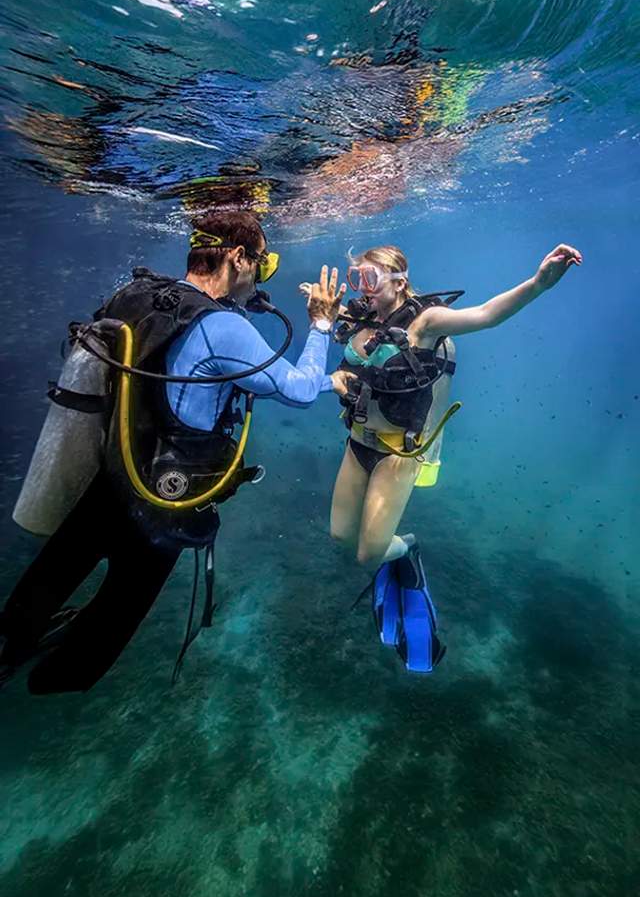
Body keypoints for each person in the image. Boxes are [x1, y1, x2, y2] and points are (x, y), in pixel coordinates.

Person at [0, 211, 346, 694]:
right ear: (237, 258)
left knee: (52, 575)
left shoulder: (141, 295)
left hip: (112, 471)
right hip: (164, 499)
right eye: (262, 264)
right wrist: (322, 325)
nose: (262, 277)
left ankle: (9, 645)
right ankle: (57, 679)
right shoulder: (224, 328)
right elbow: (300, 390)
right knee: (116, 613)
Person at [311, 241, 583, 568]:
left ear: (399, 283)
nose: (362, 289)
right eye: (357, 279)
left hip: (397, 454)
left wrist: (538, 284)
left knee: (368, 555)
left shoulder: (425, 323)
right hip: (357, 442)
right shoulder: (361, 317)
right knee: (341, 537)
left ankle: (406, 547)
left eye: (370, 278)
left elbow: (486, 315)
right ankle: (387, 543)